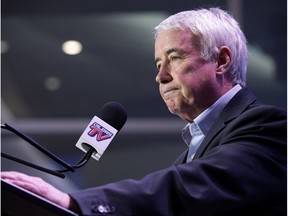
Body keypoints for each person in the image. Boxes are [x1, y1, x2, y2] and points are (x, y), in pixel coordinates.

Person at [1, 7, 286, 216]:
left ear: (221, 60)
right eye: (157, 63)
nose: (160, 76)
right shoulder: (194, 151)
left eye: (174, 58)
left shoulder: (269, 128)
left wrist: (75, 202)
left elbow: (186, 188)